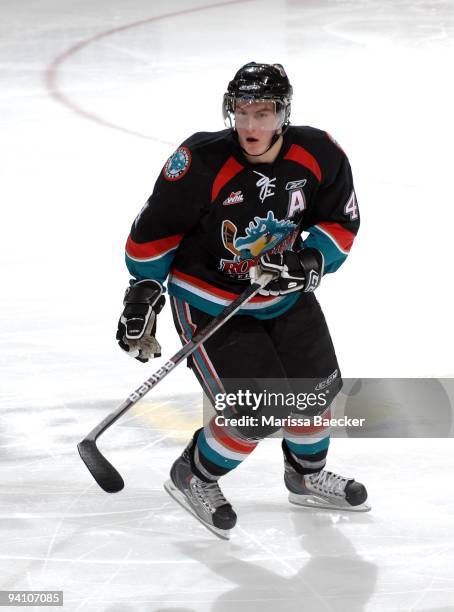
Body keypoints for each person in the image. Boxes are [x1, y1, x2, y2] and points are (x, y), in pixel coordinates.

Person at [117, 62, 369, 539]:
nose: (251, 126)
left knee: (315, 397)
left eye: (264, 113)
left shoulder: (318, 152)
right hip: (211, 301)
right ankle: (193, 474)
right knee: (256, 409)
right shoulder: (201, 159)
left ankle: (305, 475)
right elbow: (155, 231)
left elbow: (340, 218)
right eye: (242, 111)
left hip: (282, 294)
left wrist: (310, 259)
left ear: (284, 113)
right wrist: (143, 290)